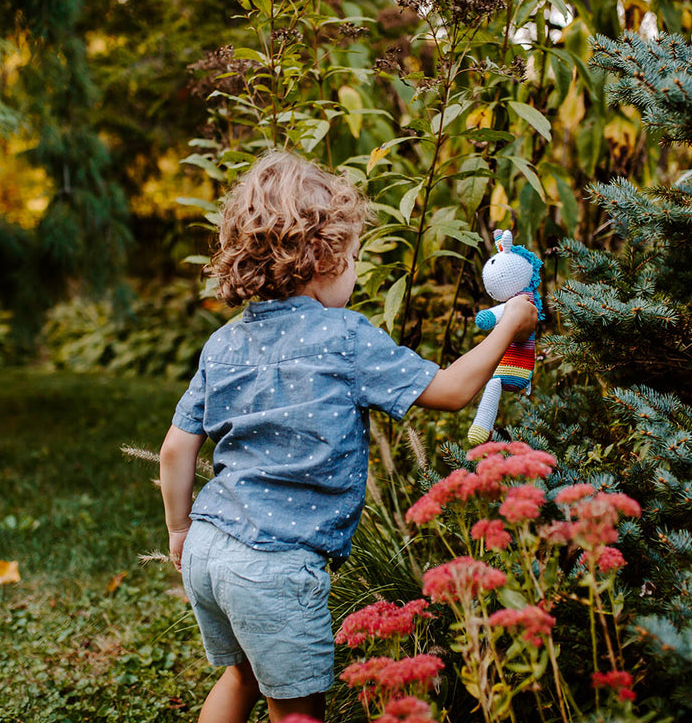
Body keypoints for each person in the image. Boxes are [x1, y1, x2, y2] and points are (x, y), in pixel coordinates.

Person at [159, 150, 538, 723]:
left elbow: (175, 448)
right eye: (355, 257)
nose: (356, 272)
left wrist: (179, 528)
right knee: (297, 710)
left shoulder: (224, 342)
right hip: (276, 567)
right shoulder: (344, 337)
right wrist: (511, 322)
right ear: (321, 256)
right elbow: (453, 390)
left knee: (240, 675)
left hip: (209, 550)